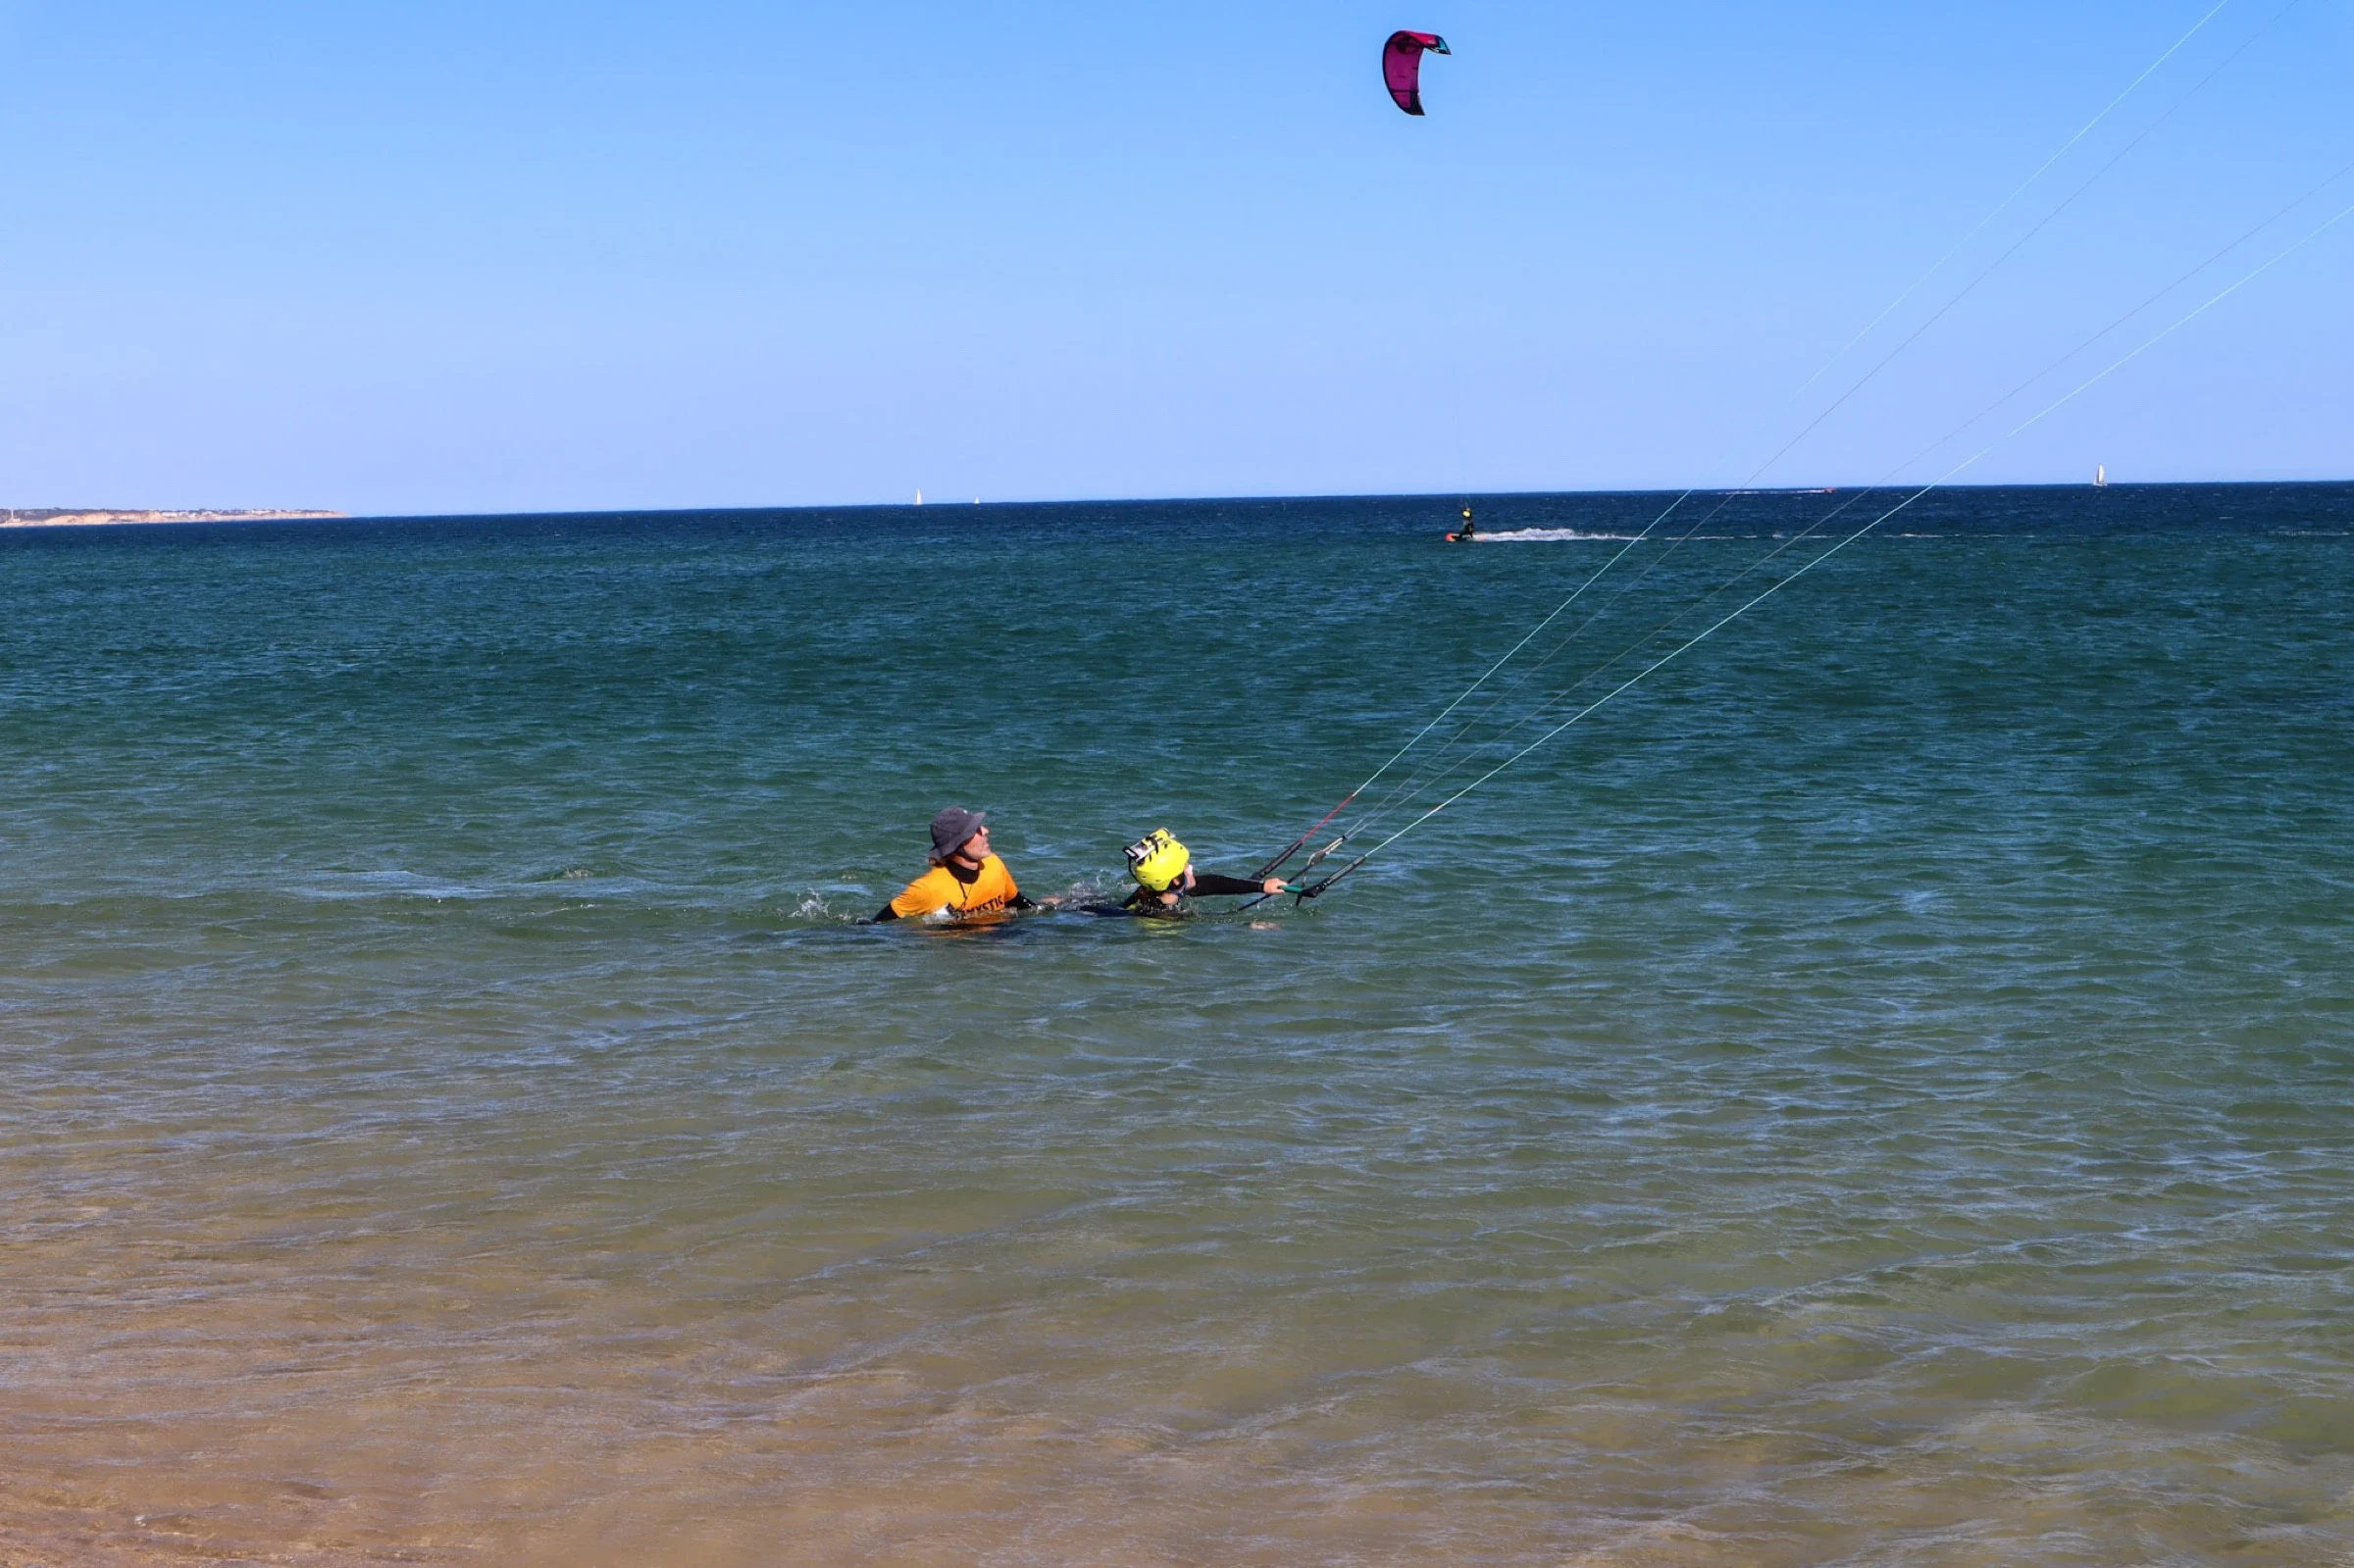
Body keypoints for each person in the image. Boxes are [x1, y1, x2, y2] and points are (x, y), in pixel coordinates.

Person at [868, 807, 1044, 923]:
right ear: (956, 845)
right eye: (975, 830)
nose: (986, 831)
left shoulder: (994, 864)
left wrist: (1046, 912)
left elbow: (1017, 902)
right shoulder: (927, 889)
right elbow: (876, 926)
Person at [1117, 829, 1288, 912]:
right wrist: (1248, 927)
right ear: (1176, 881)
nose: (1190, 868)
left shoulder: (1159, 891)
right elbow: (1207, 928)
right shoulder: (1161, 917)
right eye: (1185, 867)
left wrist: (1261, 887)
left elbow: (1214, 884)